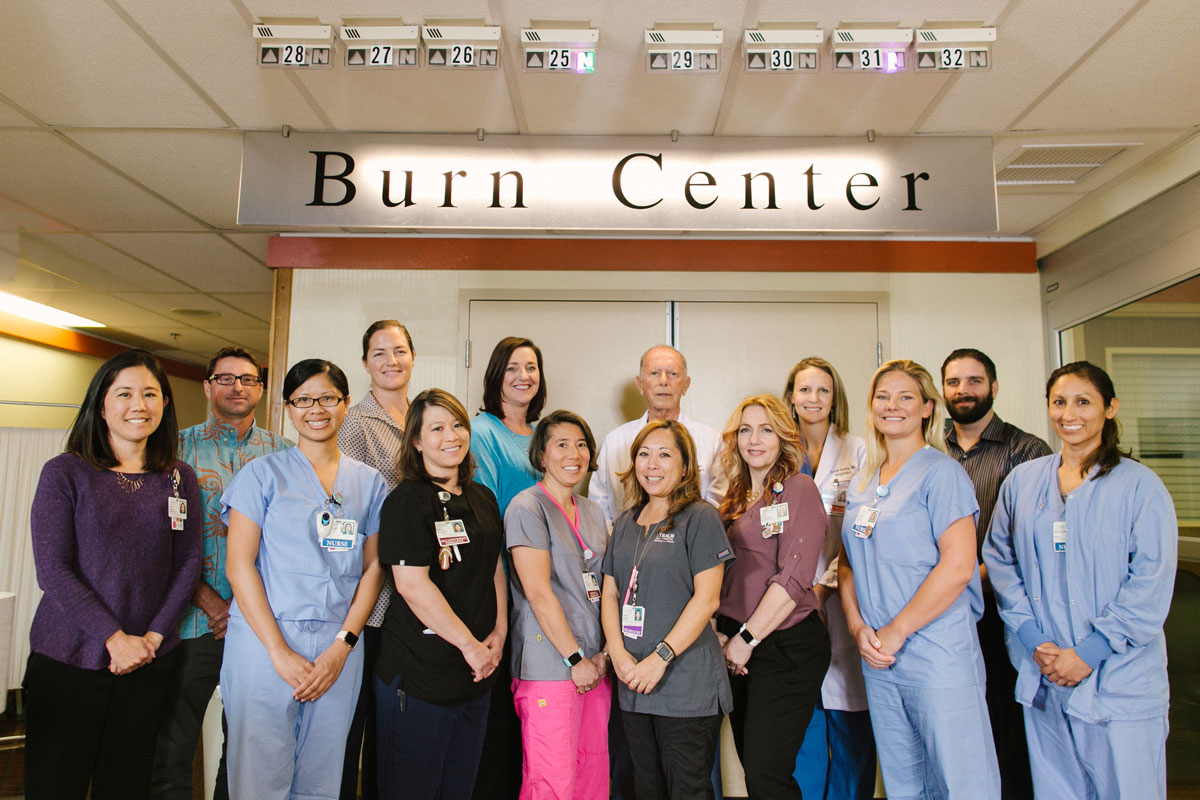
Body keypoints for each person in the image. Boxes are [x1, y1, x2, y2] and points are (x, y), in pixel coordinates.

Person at [983, 361, 1176, 800]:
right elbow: (1000, 559)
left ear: (1110, 408)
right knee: (1058, 790)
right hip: (1045, 672)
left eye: (1083, 402)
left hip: (1118, 681)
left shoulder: (1140, 488)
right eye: (1059, 402)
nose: (1069, 413)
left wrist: (1089, 652)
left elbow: (1150, 581)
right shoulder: (1024, 482)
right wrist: (1034, 639)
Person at [25, 349, 202, 800]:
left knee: (126, 785)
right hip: (69, 659)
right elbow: (53, 569)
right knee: (54, 785)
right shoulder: (65, 473)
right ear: (101, 405)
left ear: (165, 404)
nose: (138, 405)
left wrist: (153, 640)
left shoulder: (179, 478)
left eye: (149, 394)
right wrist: (113, 637)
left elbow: (187, 564)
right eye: (124, 394)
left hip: (148, 662)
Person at [221, 359, 387, 800]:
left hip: (339, 647)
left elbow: (374, 568)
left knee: (323, 777)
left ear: (346, 403)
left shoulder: (369, 483)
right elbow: (239, 566)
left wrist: (342, 646)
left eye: (329, 398)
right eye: (303, 400)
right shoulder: (261, 475)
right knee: (258, 778)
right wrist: (278, 651)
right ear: (289, 408)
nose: (317, 409)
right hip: (264, 643)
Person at [838, 359, 1000, 800]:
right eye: (883, 397)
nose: (893, 406)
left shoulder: (942, 473)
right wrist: (858, 628)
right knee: (905, 778)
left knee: (962, 780)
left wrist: (896, 631)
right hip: (879, 657)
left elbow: (958, 566)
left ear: (928, 408)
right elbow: (847, 562)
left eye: (905, 397)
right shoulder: (863, 481)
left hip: (936, 654)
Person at [151, 347, 292, 800]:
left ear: (261, 389)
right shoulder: (173, 451)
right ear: (208, 385)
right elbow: (160, 542)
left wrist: (245, 609)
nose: (237, 387)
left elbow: (290, 546)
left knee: (249, 746)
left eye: (248, 379)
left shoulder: (285, 455)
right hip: (192, 624)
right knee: (172, 744)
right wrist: (215, 604)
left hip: (261, 626)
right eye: (226, 378)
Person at [374, 389, 508, 800]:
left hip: (476, 674)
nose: (451, 435)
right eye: (436, 428)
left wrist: (499, 632)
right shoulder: (406, 502)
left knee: (459, 787)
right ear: (416, 441)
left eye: (457, 424)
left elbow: (495, 567)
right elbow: (412, 586)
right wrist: (470, 645)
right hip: (421, 676)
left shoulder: (481, 497)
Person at [600, 420, 734, 800]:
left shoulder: (700, 516)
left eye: (664, 454)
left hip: (685, 684)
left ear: (685, 465)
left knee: (687, 790)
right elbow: (611, 593)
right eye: (644, 454)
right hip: (634, 683)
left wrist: (660, 657)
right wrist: (619, 654)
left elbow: (708, 599)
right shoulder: (626, 522)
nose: (652, 464)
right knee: (647, 789)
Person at [940, 348, 1050, 800]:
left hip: (1000, 615)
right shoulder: (931, 451)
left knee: (1006, 727)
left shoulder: (1027, 452)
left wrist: (962, 578)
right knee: (960, 728)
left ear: (994, 388)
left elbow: (1025, 545)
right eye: (953, 382)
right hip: (943, 614)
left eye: (974, 381)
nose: (963, 391)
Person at [715, 395, 829, 800]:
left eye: (765, 429)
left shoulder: (798, 489)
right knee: (757, 772)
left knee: (766, 776)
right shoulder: (735, 496)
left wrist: (746, 640)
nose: (754, 439)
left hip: (784, 644)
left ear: (783, 436)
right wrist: (722, 634)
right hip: (738, 645)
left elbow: (794, 578)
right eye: (746, 430)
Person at [782, 358, 875, 800]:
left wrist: (825, 586)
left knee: (848, 710)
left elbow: (862, 529)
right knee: (802, 715)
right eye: (805, 390)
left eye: (823, 390)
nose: (813, 399)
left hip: (843, 595)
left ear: (835, 398)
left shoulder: (859, 450)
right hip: (788, 597)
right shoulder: (778, 453)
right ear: (791, 397)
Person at [506, 410, 611, 800]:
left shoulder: (593, 512)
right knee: (551, 781)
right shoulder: (527, 507)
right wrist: (574, 659)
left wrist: (601, 657)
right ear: (542, 455)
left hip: (595, 667)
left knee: (592, 774)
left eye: (581, 444)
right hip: (553, 667)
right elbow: (538, 592)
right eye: (561, 444)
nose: (574, 453)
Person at [338, 320, 416, 800]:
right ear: (365, 362)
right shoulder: (355, 422)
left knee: (398, 720)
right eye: (380, 352)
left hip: (418, 587)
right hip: (374, 594)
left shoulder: (424, 412)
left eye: (400, 350)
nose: (391, 360)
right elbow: (345, 504)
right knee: (356, 719)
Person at [471, 336, 547, 798]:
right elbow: (484, 514)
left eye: (532, 367)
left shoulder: (542, 432)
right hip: (506, 583)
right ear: (497, 373)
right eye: (514, 366)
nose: (524, 375)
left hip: (546, 584)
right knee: (500, 711)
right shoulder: (483, 431)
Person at [590, 345, 725, 525]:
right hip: (626, 547)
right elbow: (599, 509)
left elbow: (719, 508)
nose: (663, 381)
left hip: (691, 547)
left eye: (673, 374)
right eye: (654, 373)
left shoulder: (712, 441)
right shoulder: (615, 441)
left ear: (685, 385)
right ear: (640, 384)